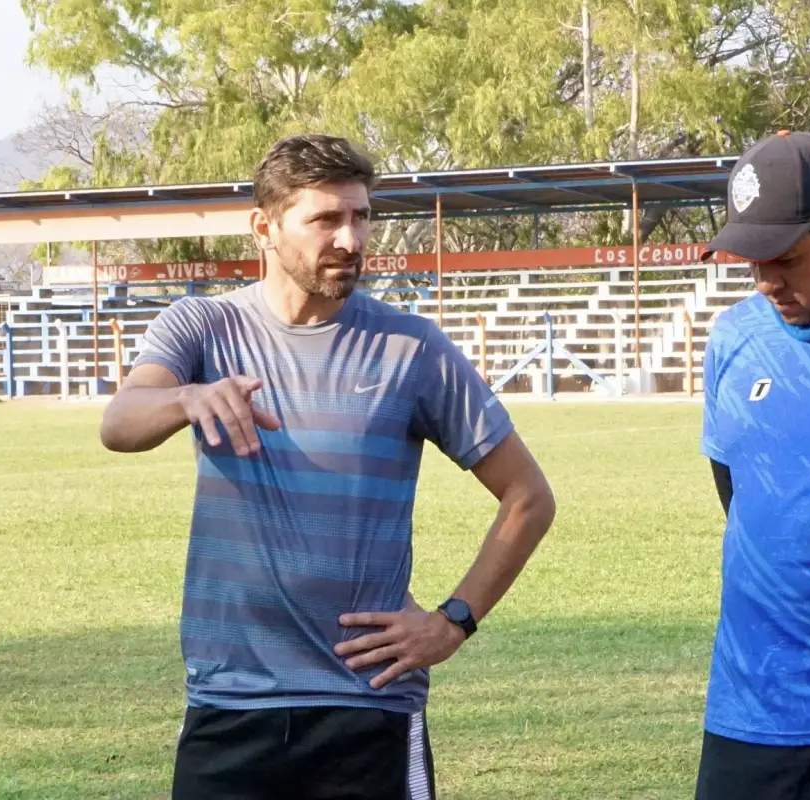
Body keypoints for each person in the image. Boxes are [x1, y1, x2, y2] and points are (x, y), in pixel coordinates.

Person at [100, 134, 557, 799]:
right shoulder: (202, 328)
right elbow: (120, 423)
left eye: (361, 217)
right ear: (264, 228)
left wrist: (453, 622)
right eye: (325, 219)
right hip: (230, 705)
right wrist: (186, 398)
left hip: (367, 708)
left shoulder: (410, 348)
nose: (350, 238)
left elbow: (528, 496)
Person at [697, 130, 810, 799]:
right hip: (752, 710)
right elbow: (736, 496)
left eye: (785, 260)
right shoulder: (734, 338)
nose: (766, 283)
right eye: (752, 263)